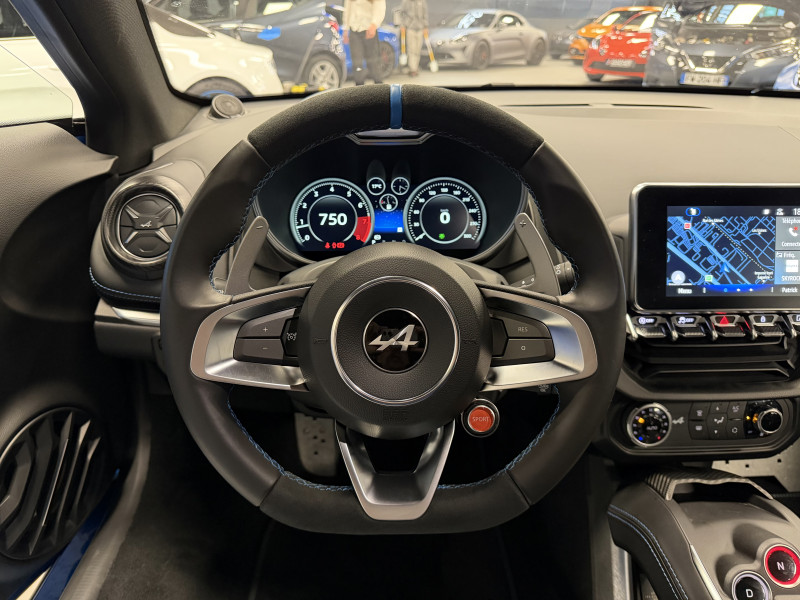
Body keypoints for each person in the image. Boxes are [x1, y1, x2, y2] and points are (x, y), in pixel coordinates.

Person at [343, 0, 386, 85]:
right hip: (354, 29)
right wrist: (346, 29)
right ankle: (359, 89)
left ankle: (380, 88)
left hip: (369, 29)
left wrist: (374, 24)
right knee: (357, 64)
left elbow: (380, 6)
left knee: (374, 63)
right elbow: (347, 8)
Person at [400, 0, 428, 77]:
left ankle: (415, 67)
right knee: (411, 49)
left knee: (417, 50)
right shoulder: (405, 2)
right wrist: (402, 25)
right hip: (410, 28)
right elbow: (402, 14)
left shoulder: (422, 2)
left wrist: (425, 26)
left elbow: (425, 14)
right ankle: (413, 69)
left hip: (420, 28)